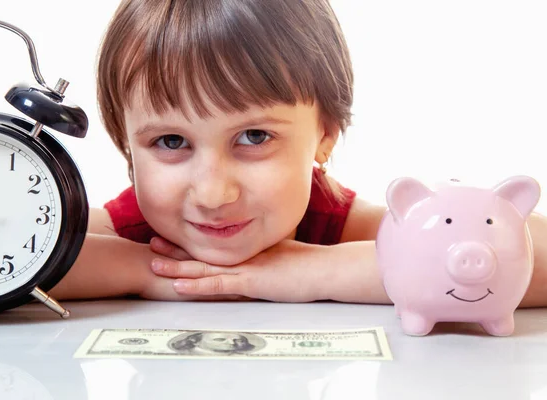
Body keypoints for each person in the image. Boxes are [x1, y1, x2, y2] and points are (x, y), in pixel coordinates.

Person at [49, 0, 547, 308]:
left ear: (325, 133)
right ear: (126, 145)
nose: (213, 192)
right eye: (171, 142)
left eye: (255, 137)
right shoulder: (136, 230)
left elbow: (531, 251)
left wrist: (311, 270)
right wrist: (145, 271)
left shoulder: (335, 224)